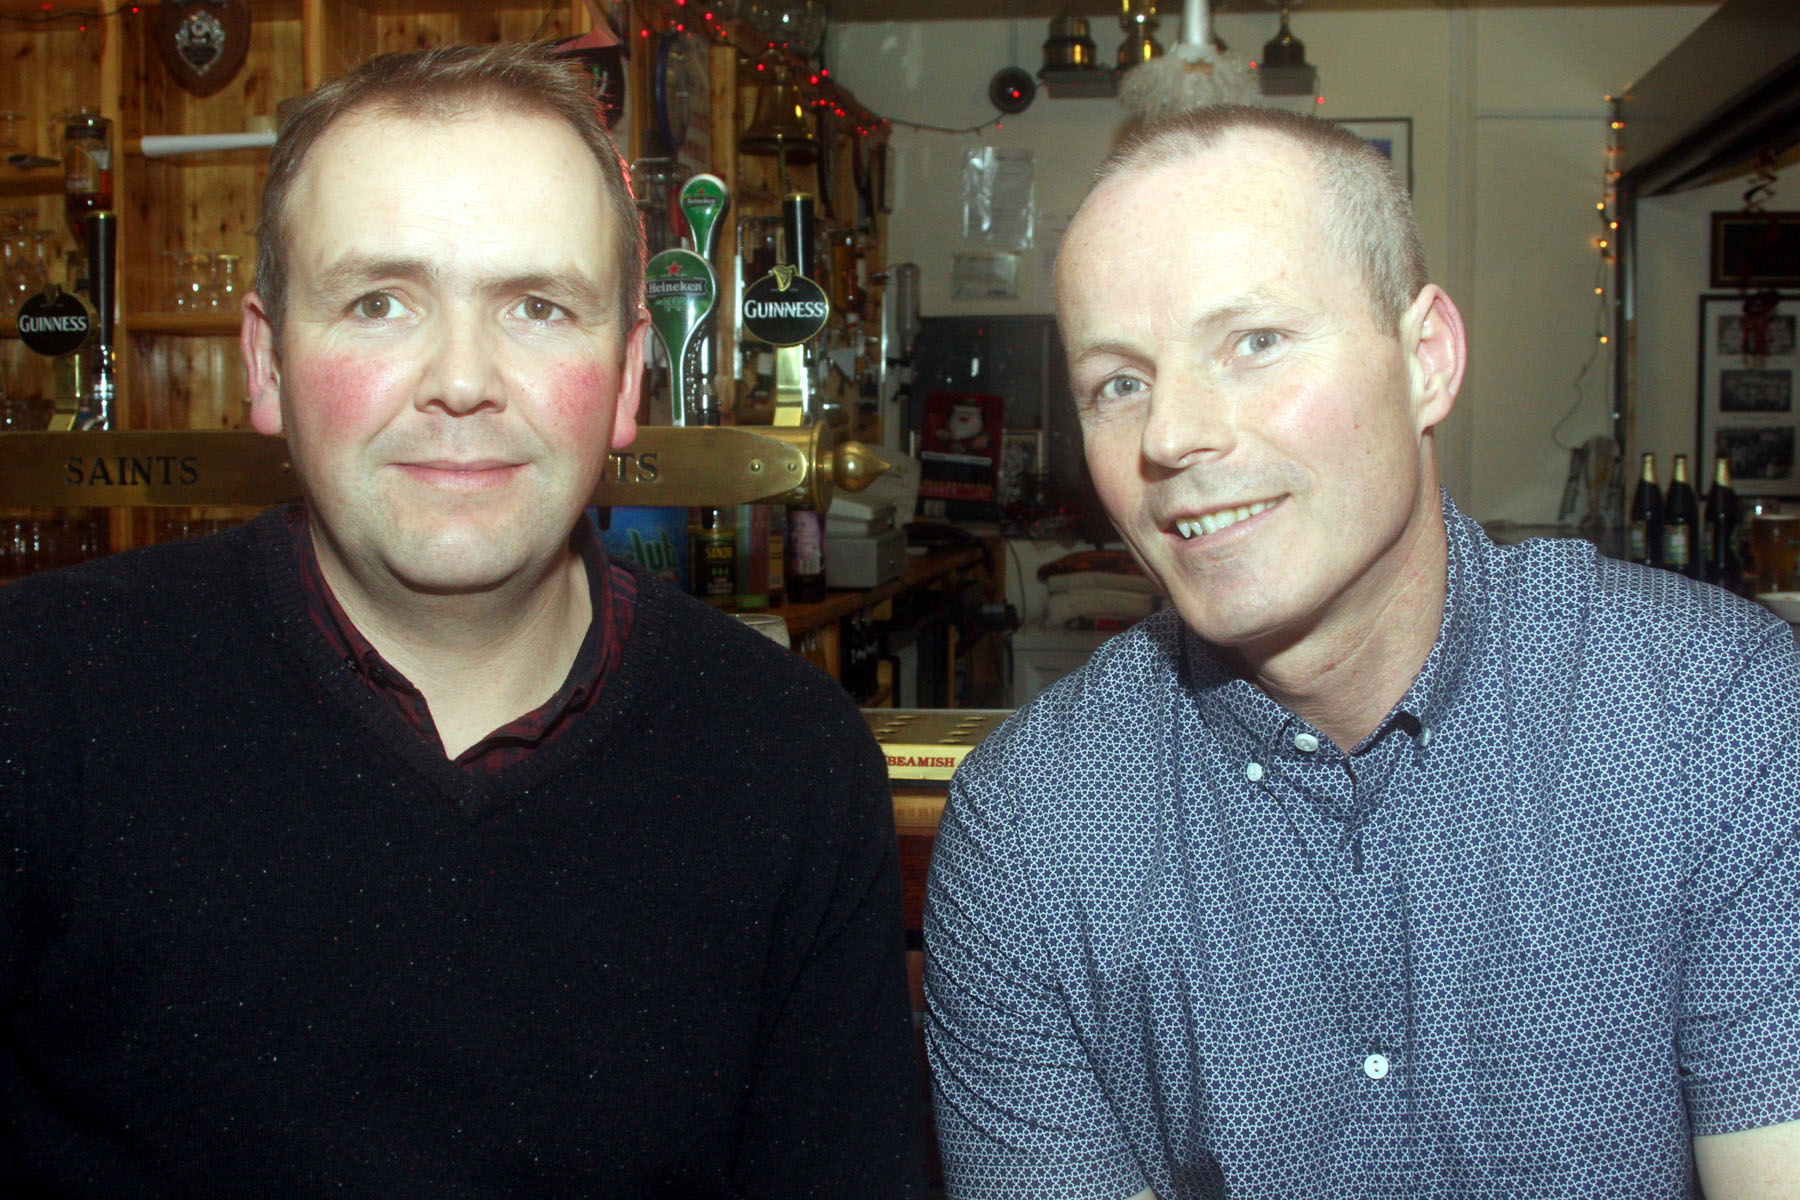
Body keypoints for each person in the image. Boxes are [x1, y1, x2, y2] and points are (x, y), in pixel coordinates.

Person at [0, 43, 924, 1197]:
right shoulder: (39, 698)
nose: (462, 379)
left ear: (628, 376)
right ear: (267, 363)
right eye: (380, 303)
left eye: (538, 307)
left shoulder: (788, 758)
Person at [923, 104, 1799, 1199]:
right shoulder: (1033, 825)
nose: (1171, 435)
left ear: (1426, 360)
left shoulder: (1711, 715)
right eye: (1120, 383)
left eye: (1255, 341)